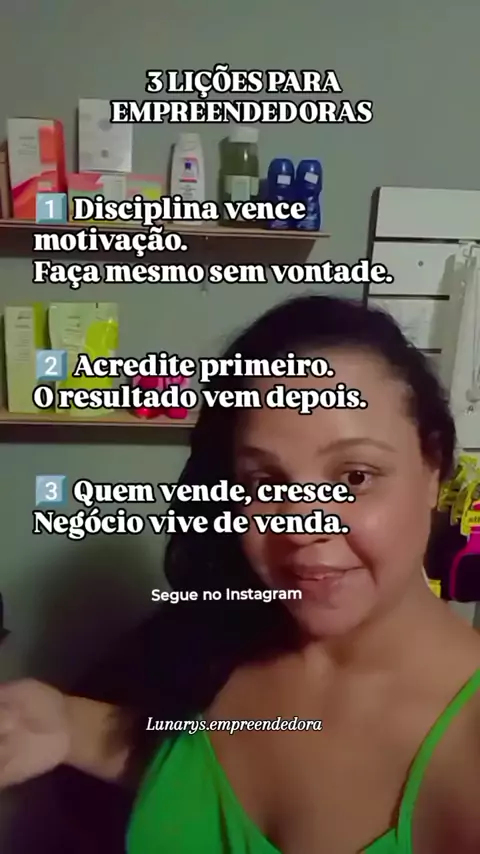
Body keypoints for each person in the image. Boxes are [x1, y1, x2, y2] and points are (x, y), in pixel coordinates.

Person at [1, 294, 479, 854]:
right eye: (264, 482)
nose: (300, 524)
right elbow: (192, 776)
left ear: (433, 468)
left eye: (355, 476)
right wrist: (63, 722)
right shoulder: (227, 637)